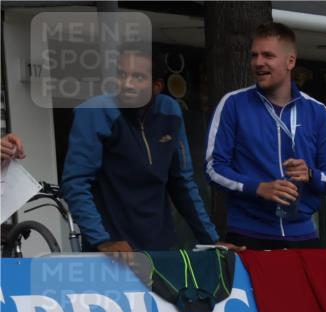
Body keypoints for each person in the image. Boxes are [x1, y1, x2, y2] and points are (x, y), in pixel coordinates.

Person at [61, 48, 221, 252]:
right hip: (112, 249)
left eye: (138, 77)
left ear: (157, 86)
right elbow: (75, 183)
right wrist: (102, 241)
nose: (127, 84)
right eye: (121, 75)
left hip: (160, 246)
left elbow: (182, 182)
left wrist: (212, 241)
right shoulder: (95, 111)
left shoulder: (169, 111)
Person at [206, 22, 326, 250]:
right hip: (247, 233)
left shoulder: (317, 111)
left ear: (290, 62)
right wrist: (258, 187)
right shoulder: (233, 104)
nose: (258, 63)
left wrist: (310, 174)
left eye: (268, 55)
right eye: (254, 55)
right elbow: (214, 168)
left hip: (303, 236)